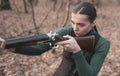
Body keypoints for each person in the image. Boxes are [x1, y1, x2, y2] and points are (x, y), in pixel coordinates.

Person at [0, 2, 110, 76]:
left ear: (92, 23)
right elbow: (40, 48)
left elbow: (89, 74)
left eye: (81, 25)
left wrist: (77, 52)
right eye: (73, 22)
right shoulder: (67, 31)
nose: (75, 28)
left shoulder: (102, 44)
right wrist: (10, 46)